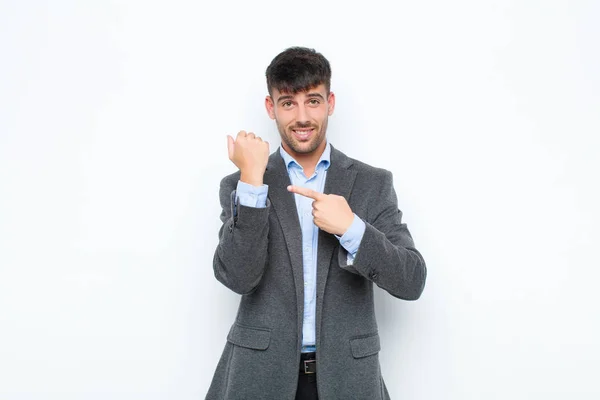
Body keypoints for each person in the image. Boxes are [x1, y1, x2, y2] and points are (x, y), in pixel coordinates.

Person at [205, 46, 426, 400]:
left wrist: (352, 229)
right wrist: (251, 181)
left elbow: (412, 280)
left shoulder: (372, 183)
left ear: (330, 103)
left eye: (313, 100)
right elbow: (239, 276)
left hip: (348, 378)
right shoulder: (241, 185)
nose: (302, 116)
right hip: (259, 377)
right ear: (271, 108)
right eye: (288, 102)